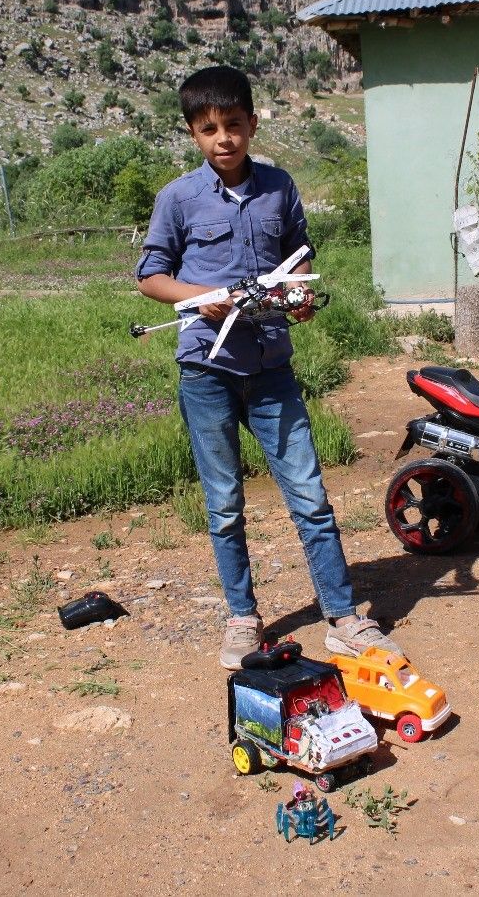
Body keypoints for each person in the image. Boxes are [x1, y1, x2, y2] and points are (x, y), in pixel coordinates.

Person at [135, 65, 403, 669]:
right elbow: (150, 276)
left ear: (253, 124)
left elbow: (299, 262)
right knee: (224, 500)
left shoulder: (280, 187)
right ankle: (243, 618)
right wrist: (196, 294)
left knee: (309, 494)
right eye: (209, 129)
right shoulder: (178, 198)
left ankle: (341, 616)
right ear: (193, 134)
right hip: (206, 368)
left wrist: (299, 299)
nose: (223, 138)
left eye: (233, 124)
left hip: (271, 369)